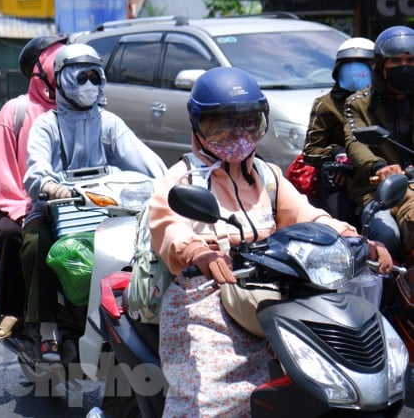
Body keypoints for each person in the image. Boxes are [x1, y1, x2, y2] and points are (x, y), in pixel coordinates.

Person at [148, 67, 391, 416]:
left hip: (274, 287)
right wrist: (197, 251)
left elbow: (309, 215)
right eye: (221, 125)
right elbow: (167, 224)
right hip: (208, 294)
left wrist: (355, 239)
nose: (238, 134)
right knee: (216, 398)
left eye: (248, 123)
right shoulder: (184, 177)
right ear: (198, 125)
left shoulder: (267, 175)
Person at [21, 43, 167, 361]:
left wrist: (171, 182)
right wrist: (49, 186)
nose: (89, 84)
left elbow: (144, 159)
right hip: (55, 211)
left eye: (94, 76)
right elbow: (34, 172)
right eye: (80, 76)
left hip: (104, 209)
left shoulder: (109, 123)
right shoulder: (46, 124)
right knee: (36, 243)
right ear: (61, 80)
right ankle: (45, 330)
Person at [0, 35, 67, 341]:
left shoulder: (78, 110)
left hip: (71, 202)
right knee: (11, 234)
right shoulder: (15, 111)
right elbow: (3, 171)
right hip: (20, 202)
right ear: (40, 71)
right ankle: (10, 309)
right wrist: (23, 208)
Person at [344, 25, 414, 259]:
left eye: (411, 60)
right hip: (377, 191)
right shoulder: (358, 103)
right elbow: (356, 142)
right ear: (381, 65)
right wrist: (378, 166)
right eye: (396, 61)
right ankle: (385, 294)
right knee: (387, 237)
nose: (404, 66)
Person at [302, 37, 374, 226]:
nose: (356, 74)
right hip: (340, 180)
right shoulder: (326, 105)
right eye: (348, 67)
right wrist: (337, 154)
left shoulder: (382, 103)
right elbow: (310, 152)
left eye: (362, 68)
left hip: (375, 177)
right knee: (341, 223)